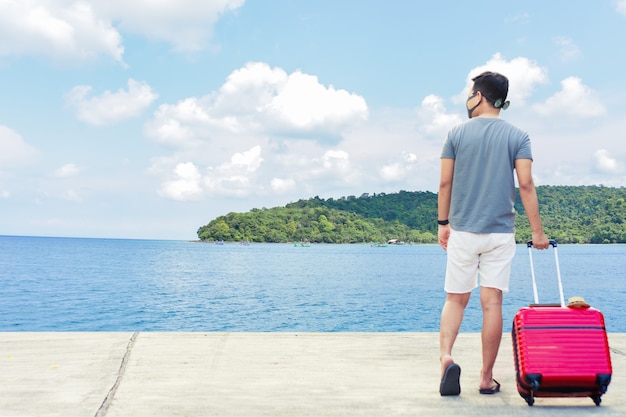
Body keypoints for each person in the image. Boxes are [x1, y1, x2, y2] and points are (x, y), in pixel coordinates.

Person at [437, 71, 550, 396]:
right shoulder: (519, 136)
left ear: (480, 96)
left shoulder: (455, 134)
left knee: (456, 300)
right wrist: (538, 233)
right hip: (500, 233)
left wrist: (443, 224)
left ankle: (446, 358)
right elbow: (526, 185)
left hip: (463, 230)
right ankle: (486, 379)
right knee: (492, 303)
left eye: (471, 93)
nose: (468, 98)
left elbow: (446, 183)